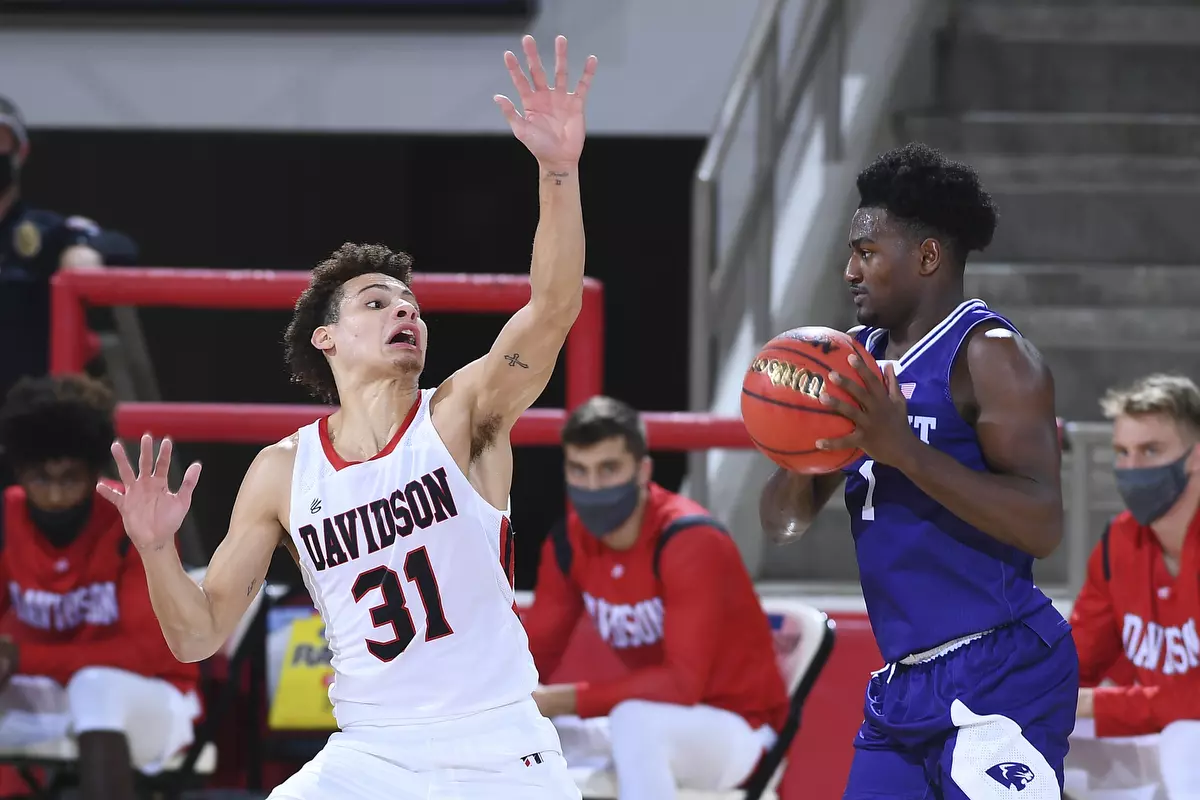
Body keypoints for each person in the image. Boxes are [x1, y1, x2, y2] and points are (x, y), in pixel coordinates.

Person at [97, 35, 597, 800]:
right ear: (325, 337)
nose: (404, 310)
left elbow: (554, 307)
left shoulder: (463, 413)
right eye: (377, 302)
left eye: (411, 305)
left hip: (495, 745)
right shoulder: (282, 471)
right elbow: (197, 636)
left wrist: (557, 169)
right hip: (371, 755)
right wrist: (157, 549)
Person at [760, 142, 1077, 799]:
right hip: (906, 682)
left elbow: (1043, 526)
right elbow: (782, 525)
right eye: (852, 253)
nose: (850, 270)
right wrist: (799, 442)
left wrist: (900, 447)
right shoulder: (849, 365)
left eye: (867, 253)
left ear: (927, 257)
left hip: (1002, 669)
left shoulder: (992, 357)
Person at [523, 396, 789, 800]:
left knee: (634, 721)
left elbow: (682, 685)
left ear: (642, 470)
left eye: (608, 469)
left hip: (740, 730)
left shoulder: (689, 540)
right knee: (519, 733)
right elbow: (531, 655)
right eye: (579, 470)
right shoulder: (569, 542)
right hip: (653, 720)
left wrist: (559, 699)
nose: (592, 487)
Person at [0, 374, 201, 800]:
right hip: (45, 694)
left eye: (69, 478)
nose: (54, 493)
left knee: (95, 685)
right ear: (19, 471)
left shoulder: (134, 522)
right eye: (40, 477)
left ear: (93, 470)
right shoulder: (8, 519)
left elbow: (146, 653)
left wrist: (22, 657)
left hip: (150, 700)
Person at [1064, 373, 1200, 799]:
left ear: (1196, 456)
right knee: (1020, 743)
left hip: (1186, 743)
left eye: (1151, 451)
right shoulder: (1120, 543)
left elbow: (1192, 703)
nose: (1132, 468)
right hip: (1154, 733)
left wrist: (1097, 704)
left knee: (1186, 743)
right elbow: (1075, 663)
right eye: (1122, 452)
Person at [0, 95, 139, 402]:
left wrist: (85, 252)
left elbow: (123, 247)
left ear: (19, 152)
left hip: (27, 413)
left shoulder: (47, 231)